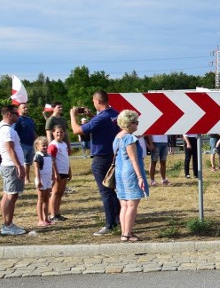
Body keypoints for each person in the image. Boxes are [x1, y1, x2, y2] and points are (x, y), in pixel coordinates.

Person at [71, 91, 120, 236]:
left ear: (97, 101)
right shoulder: (114, 114)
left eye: (93, 101)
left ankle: (110, 224)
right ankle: (118, 218)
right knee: (112, 190)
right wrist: (93, 115)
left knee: (105, 191)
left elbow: (77, 130)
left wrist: (73, 115)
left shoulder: (101, 118)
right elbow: (103, 124)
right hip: (113, 155)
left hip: (101, 157)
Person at [113, 110, 149, 241]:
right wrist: (140, 177)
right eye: (136, 122)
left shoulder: (118, 136)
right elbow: (134, 159)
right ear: (129, 123)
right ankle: (127, 233)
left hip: (119, 172)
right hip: (130, 173)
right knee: (133, 204)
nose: (137, 125)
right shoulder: (129, 138)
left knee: (124, 204)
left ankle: (124, 232)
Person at [0, 105, 26, 235]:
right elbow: (10, 149)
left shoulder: (4, 128)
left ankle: (7, 223)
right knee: (11, 196)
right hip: (11, 166)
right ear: (9, 114)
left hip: (8, 165)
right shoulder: (7, 130)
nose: (18, 116)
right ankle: (8, 225)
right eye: (16, 114)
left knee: (7, 195)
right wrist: (19, 165)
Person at [47, 126, 71, 222]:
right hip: (58, 172)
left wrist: (69, 171)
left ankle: (57, 213)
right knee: (55, 193)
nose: (59, 134)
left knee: (60, 193)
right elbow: (51, 160)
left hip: (64, 171)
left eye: (61, 132)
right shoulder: (53, 145)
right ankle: (52, 214)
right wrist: (55, 173)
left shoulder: (64, 144)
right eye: (57, 132)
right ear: (53, 133)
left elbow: (66, 159)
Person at [33, 136, 55, 227]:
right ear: (37, 146)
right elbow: (36, 169)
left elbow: (52, 168)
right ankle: (40, 219)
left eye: (46, 145)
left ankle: (46, 218)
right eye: (43, 145)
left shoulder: (49, 156)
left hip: (48, 179)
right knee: (41, 199)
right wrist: (38, 180)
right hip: (41, 179)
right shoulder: (38, 156)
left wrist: (53, 177)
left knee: (46, 199)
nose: (45, 147)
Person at [14, 102, 37, 184]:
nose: (26, 109)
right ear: (19, 109)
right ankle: (20, 178)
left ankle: (27, 179)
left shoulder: (30, 119)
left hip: (31, 144)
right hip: (22, 144)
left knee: (28, 163)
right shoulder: (18, 119)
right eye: (24, 107)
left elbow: (33, 131)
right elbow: (14, 132)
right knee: (21, 162)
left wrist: (37, 140)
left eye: (27, 107)